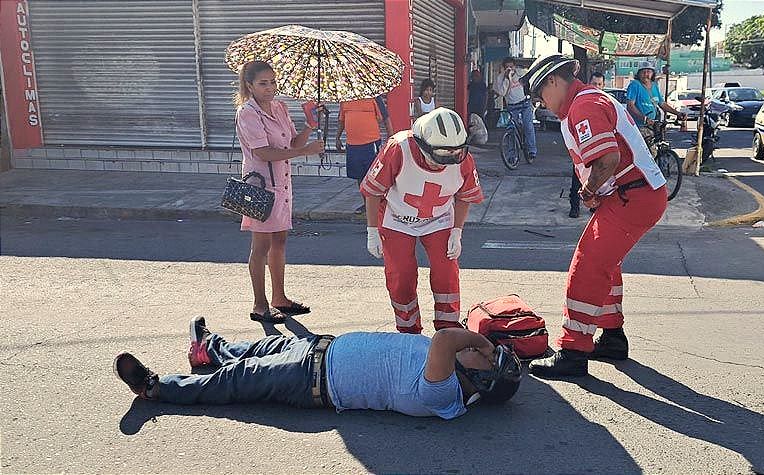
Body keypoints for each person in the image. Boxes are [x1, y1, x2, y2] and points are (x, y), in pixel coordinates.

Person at [524, 55, 668, 377]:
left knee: (587, 265)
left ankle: (574, 351)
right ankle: (613, 338)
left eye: (540, 95)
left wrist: (588, 192)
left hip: (633, 195)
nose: (542, 104)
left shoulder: (582, 106)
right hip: (636, 193)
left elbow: (607, 159)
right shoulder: (588, 101)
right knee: (606, 266)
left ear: (553, 82)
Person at [114, 317, 522, 419]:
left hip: (311, 380)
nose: (484, 351)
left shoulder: (444, 395)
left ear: (480, 379)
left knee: (236, 381)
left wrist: (485, 341)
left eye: (486, 359)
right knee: (258, 346)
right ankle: (207, 348)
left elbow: (446, 337)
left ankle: (156, 387)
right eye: (488, 351)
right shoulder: (453, 375)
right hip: (319, 350)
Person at [360, 108, 483, 333]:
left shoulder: (461, 157)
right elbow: (373, 191)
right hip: (396, 219)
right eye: (438, 158)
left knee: (446, 273)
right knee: (401, 277)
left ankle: (448, 331)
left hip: (439, 220)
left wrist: (457, 231)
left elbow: (465, 195)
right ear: (421, 145)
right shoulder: (398, 148)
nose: (442, 165)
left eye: (450, 157)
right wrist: (372, 231)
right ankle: (408, 331)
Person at [234, 61, 324, 323]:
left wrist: (309, 124)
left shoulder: (279, 108)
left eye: (273, 82)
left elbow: (292, 142)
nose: (270, 88)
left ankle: (279, 298)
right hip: (260, 186)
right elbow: (263, 152)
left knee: (280, 241)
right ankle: (260, 305)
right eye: (263, 83)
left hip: (282, 184)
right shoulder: (247, 113)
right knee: (260, 245)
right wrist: (304, 152)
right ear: (249, 85)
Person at [336, 97, 394, 213]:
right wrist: (337, 137)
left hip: (370, 144)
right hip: (352, 145)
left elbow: (386, 117)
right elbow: (342, 120)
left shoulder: (374, 97)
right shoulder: (345, 98)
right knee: (359, 177)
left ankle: (380, 204)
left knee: (375, 176)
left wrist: (391, 137)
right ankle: (366, 204)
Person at [569, 72, 606, 218]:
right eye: (594, 84)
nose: (596, 87)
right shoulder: (580, 101)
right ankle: (574, 206)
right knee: (577, 178)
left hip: (599, 146)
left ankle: (595, 205)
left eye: (599, 84)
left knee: (598, 178)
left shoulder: (605, 102)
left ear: (603, 86)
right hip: (582, 146)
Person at [494, 57, 537, 162]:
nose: (510, 69)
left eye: (511, 67)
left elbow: (531, 79)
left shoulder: (521, 73)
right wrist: (506, 79)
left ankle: (531, 151)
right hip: (512, 106)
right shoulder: (500, 78)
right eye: (507, 67)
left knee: (528, 126)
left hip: (524, 104)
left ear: (515, 66)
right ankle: (512, 156)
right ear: (504, 68)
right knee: (511, 130)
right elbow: (502, 93)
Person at [626, 61, 685, 128]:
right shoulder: (635, 85)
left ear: (652, 74)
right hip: (638, 126)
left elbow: (662, 104)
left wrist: (677, 113)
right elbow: (630, 106)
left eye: (648, 72)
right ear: (639, 74)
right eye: (643, 72)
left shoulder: (654, 86)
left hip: (652, 125)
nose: (646, 74)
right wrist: (644, 119)